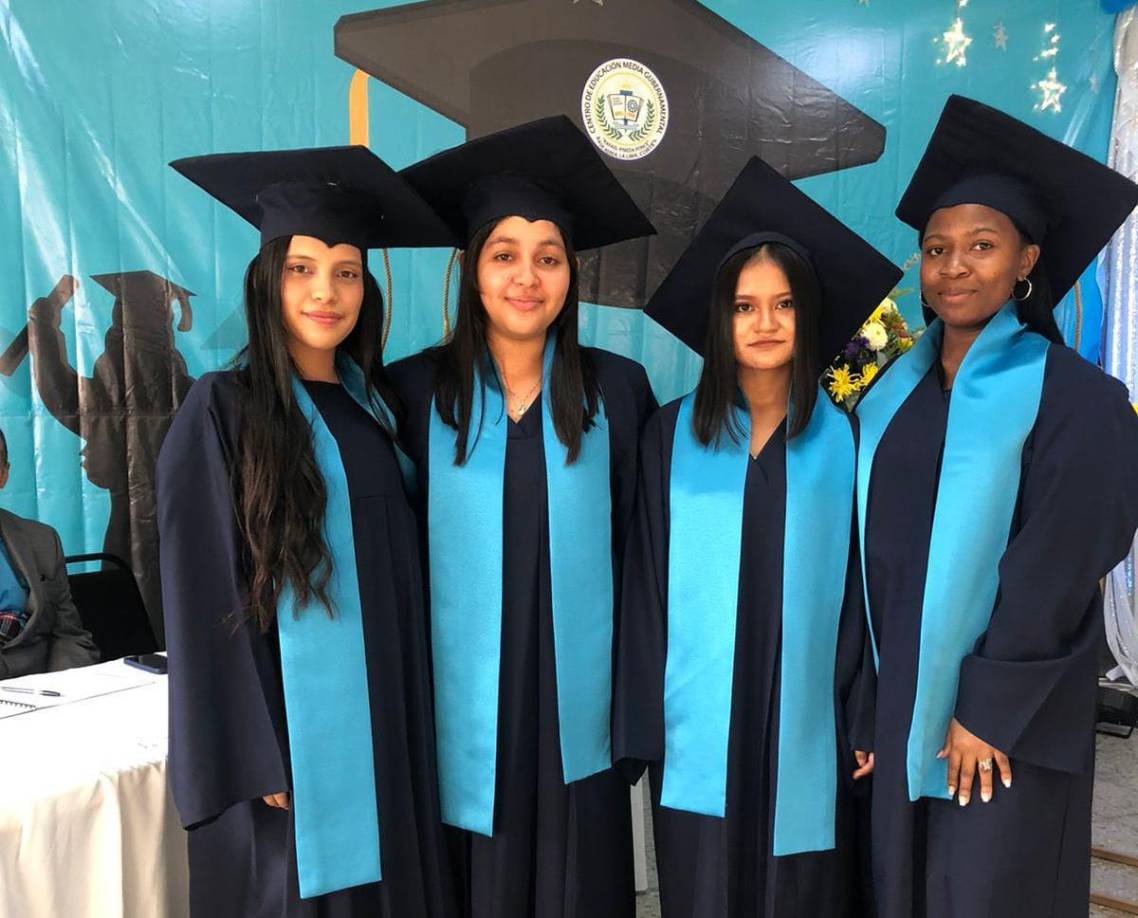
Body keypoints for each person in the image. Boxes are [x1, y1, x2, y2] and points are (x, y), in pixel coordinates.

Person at [157, 146, 458, 917]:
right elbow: (201, 593)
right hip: (290, 743)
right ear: (267, 280)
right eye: (302, 269)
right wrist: (257, 748)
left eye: (347, 272)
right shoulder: (224, 408)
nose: (326, 291)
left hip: (389, 715)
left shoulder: (378, 409)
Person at [857, 94, 1138, 917]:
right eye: (936, 249)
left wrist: (987, 709)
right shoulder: (886, 389)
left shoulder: (1080, 399)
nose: (954, 267)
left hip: (1008, 714)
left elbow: (1061, 565)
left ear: (1026, 261)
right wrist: (865, 703)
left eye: (982, 246)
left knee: (985, 890)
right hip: (897, 696)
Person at [615, 155, 898, 916]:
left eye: (783, 304)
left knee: (799, 887)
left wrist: (863, 712)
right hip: (697, 716)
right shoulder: (669, 435)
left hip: (809, 716)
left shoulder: (848, 441)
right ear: (721, 319)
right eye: (744, 306)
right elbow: (644, 582)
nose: (765, 323)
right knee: (703, 884)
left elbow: (864, 594)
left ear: (810, 314)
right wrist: (643, 720)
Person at [389, 115, 657, 918]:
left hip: (582, 703)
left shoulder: (619, 391)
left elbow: (644, 559)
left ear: (571, 274)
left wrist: (635, 705)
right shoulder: (411, 393)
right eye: (504, 255)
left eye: (548, 258)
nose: (527, 278)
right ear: (472, 269)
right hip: (457, 707)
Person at [0, 426, 98, 678]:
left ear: (4, 475)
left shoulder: (42, 540)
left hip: (41, 688)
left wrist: (65, 688)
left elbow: (69, 636)